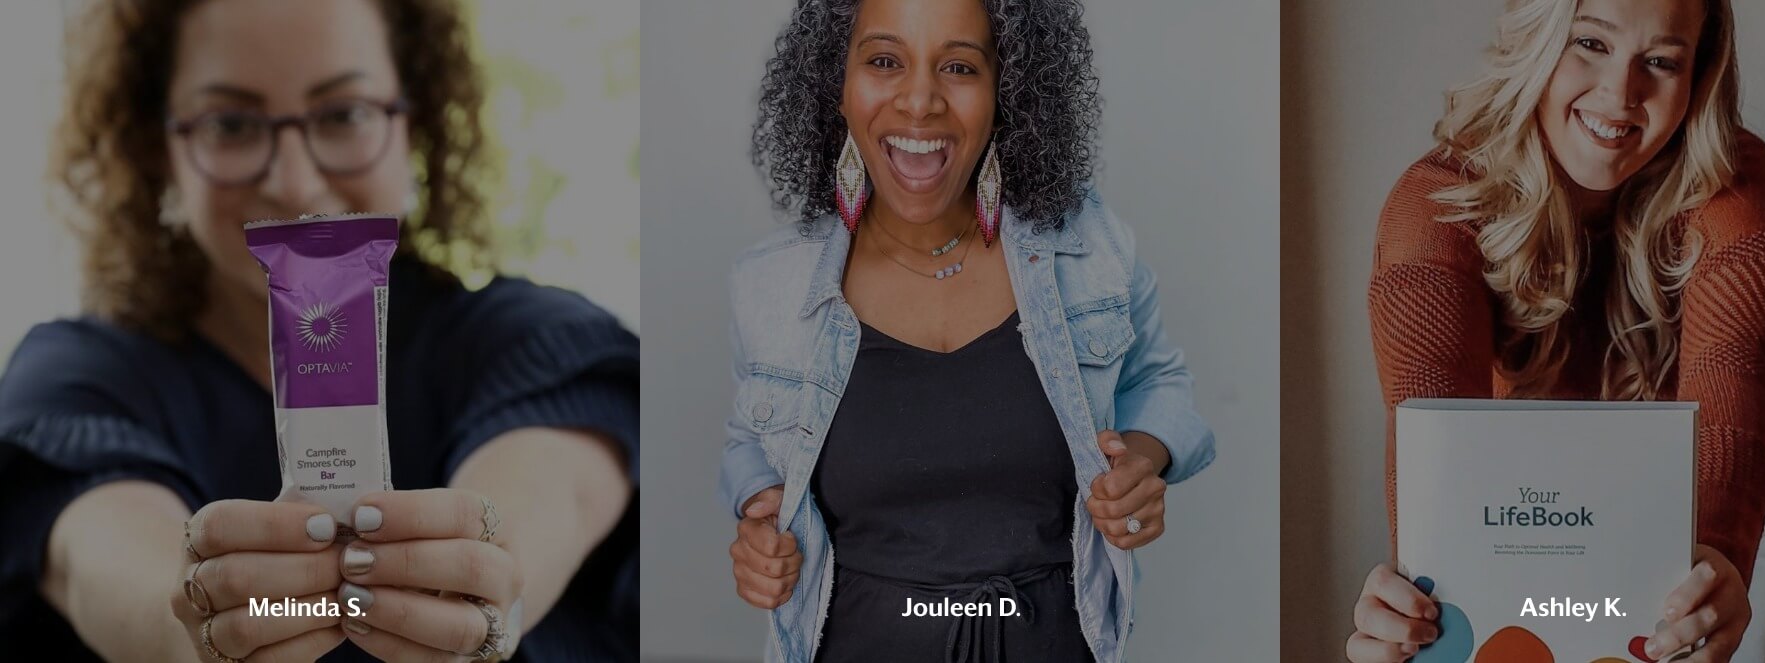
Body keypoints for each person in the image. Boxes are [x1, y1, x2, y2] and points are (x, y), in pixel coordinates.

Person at [0, 0, 638, 660]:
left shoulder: (529, 340)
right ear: (157, 144)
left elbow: (555, 497)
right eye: (232, 123)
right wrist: (205, 624)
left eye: (342, 113)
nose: (294, 180)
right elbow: (105, 562)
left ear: (414, 117)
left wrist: (491, 581)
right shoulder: (78, 381)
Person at [717, 0, 1215, 660]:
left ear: (1006, 90)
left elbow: (1162, 382)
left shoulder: (1091, 251)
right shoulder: (769, 285)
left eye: (959, 66)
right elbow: (748, 440)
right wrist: (759, 515)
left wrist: (1142, 464)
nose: (919, 100)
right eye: (884, 61)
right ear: (834, 82)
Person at [1346, 0, 1765, 662]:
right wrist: (1413, 620)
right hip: (1523, 498)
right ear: (1536, 39)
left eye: (1660, 61)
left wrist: (1717, 564)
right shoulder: (1433, 208)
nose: (1621, 95)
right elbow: (1436, 453)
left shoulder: (1745, 195)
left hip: (1714, 484)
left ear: (1699, 76)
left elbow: (1735, 382)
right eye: (1589, 42)